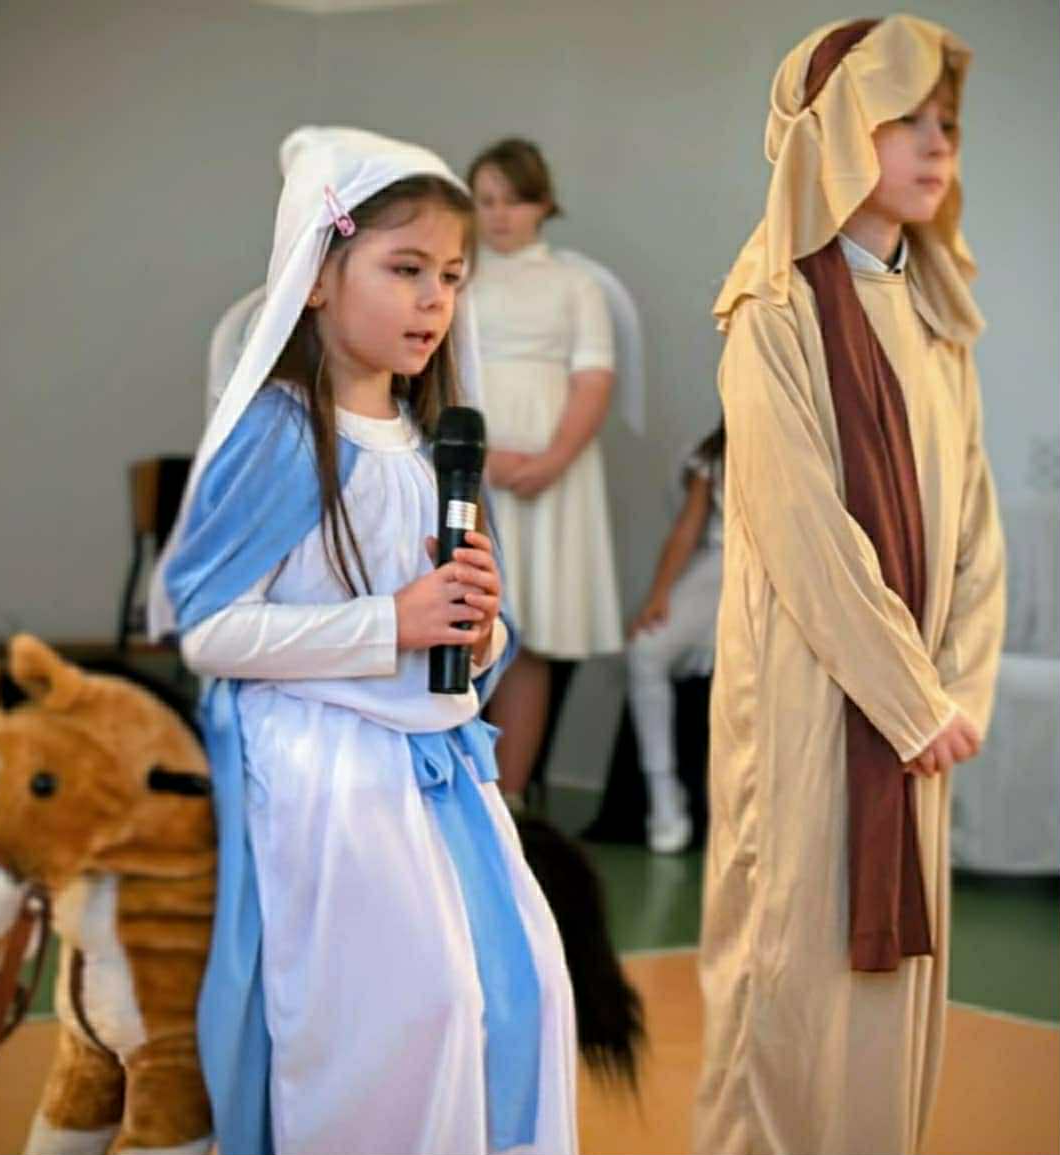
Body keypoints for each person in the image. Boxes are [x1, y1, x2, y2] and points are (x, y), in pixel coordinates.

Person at [149, 127, 577, 1155]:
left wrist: (479, 630)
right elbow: (208, 629)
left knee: (524, 990)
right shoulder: (281, 432)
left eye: (452, 277)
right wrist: (392, 622)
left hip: (436, 767)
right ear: (315, 278)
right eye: (405, 269)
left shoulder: (434, 446)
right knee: (413, 1013)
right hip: (323, 772)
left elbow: (468, 632)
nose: (434, 300)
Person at [694, 17, 1005, 1155]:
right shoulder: (770, 312)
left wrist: (951, 690)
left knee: (886, 1008)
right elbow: (802, 532)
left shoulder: (934, 318)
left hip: (915, 717)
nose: (936, 145)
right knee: (786, 983)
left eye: (946, 123)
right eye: (903, 118)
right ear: (828, 134)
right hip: (808, 700)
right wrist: (911, 698)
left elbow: (975, 533)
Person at [467, 137, 623, 806]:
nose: (499, 215)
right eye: (485, 201)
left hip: (550, 476)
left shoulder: (574, 284)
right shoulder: (456, 277)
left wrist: (554, 457)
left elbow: (593, 377)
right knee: (465, 620)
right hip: (470, 466)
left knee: (529, 632)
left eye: (513, 200)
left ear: (541, 204)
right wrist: (476, 456)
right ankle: (457, 792)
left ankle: (509, 798)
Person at [627, 421, 725, 853]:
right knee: (646, 650)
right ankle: (663, 792)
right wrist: (659, 594)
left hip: (783, 575)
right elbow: (688, 528)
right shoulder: (715, 451)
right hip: (721, 563)